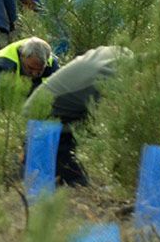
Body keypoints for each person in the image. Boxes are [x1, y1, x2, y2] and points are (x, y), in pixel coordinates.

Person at [24, 46, 133, 186]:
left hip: (62, 117)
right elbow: (116, 126)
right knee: (74, 183)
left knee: (74, 178)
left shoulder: (123, 54)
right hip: (40, 124)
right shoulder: (112, 79)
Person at [16, 0, 93, 57]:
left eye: (27, 3)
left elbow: (64, 34)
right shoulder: (45, 2)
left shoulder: (55, 1)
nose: (28, 8)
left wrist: (54, 55)